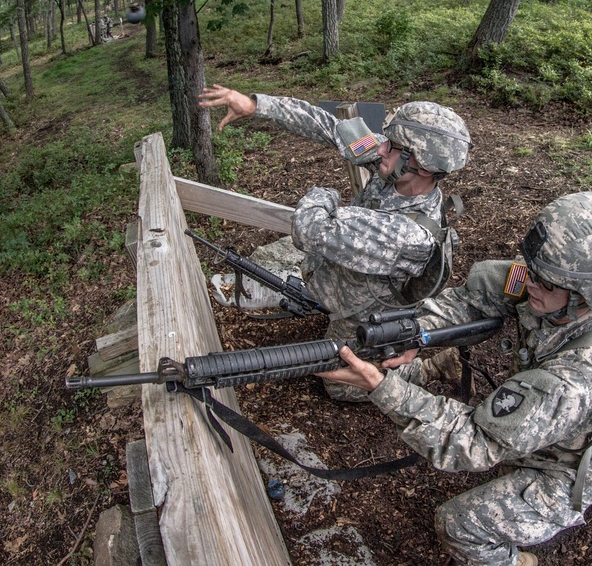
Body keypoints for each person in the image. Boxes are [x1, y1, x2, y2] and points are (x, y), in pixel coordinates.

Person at [318, 192, 592, 566]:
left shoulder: (576, 380)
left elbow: (470, 442)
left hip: (563, 471)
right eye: (532, 269)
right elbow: (476, 298)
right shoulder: (551, 290)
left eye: (547, 283)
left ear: (585, 295)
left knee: (460, 525)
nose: (530, 282)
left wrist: (383, 388)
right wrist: (414, 333)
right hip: (535, 428)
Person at [198, 85, 472, 400]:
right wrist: (256, 105)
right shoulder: (396, 170)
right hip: (342, 281)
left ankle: (427, 369)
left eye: (393, 147)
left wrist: (325, 194)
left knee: (339, 386)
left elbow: (308, 228)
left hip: (362, 313)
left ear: (422, 165)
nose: (381, 149)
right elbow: (334, 128)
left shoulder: (407, 235)